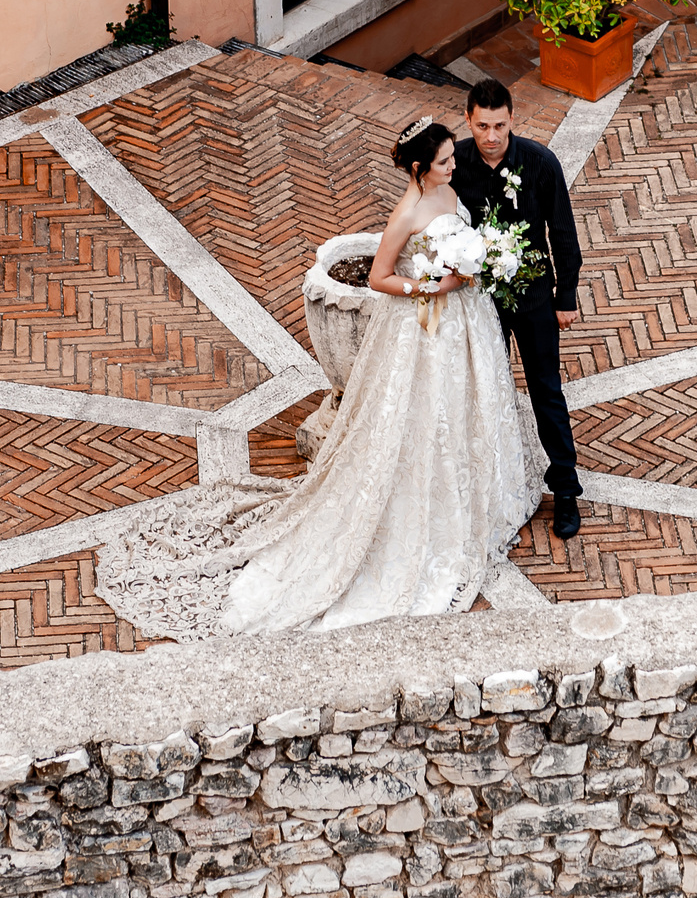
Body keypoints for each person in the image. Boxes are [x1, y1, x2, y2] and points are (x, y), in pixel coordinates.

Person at [94, 119, 541, 635]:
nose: (454, 165)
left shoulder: (448, 192)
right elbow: (379, 278)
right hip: (424, 327)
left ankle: (475, 499)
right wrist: (428, 289)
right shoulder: (407, 213)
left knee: (465, 408)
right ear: (420, 169)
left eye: (451, 159)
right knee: (422, 418)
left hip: (466, 321)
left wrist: (474, 266)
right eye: (444, 161)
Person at [452, 78, 585, 538]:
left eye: (500, 126)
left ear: (513, 120)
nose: (491, 136)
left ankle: (565, 489)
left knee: (547, 389)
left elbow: (563, 234)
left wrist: (564, 297)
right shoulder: (456, 164)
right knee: (486, 388)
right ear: (468, 120)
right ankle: (491, 484)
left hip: (533, 296)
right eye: (483, 125)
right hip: (479, 297)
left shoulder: (540, 163)